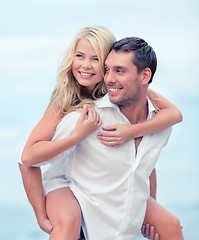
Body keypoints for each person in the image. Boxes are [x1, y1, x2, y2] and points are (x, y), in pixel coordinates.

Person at [19, 26, 183, 240]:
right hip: (63, 182)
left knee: (171, 225)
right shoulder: (68, 104)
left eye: (96, 59)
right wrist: (41, 216)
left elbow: (144, 157)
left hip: (100, 181)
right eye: (79, 56)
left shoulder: (125, 90)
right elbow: (26, 159)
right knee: (68, 220)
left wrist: (131, 132)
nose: (86, 65)